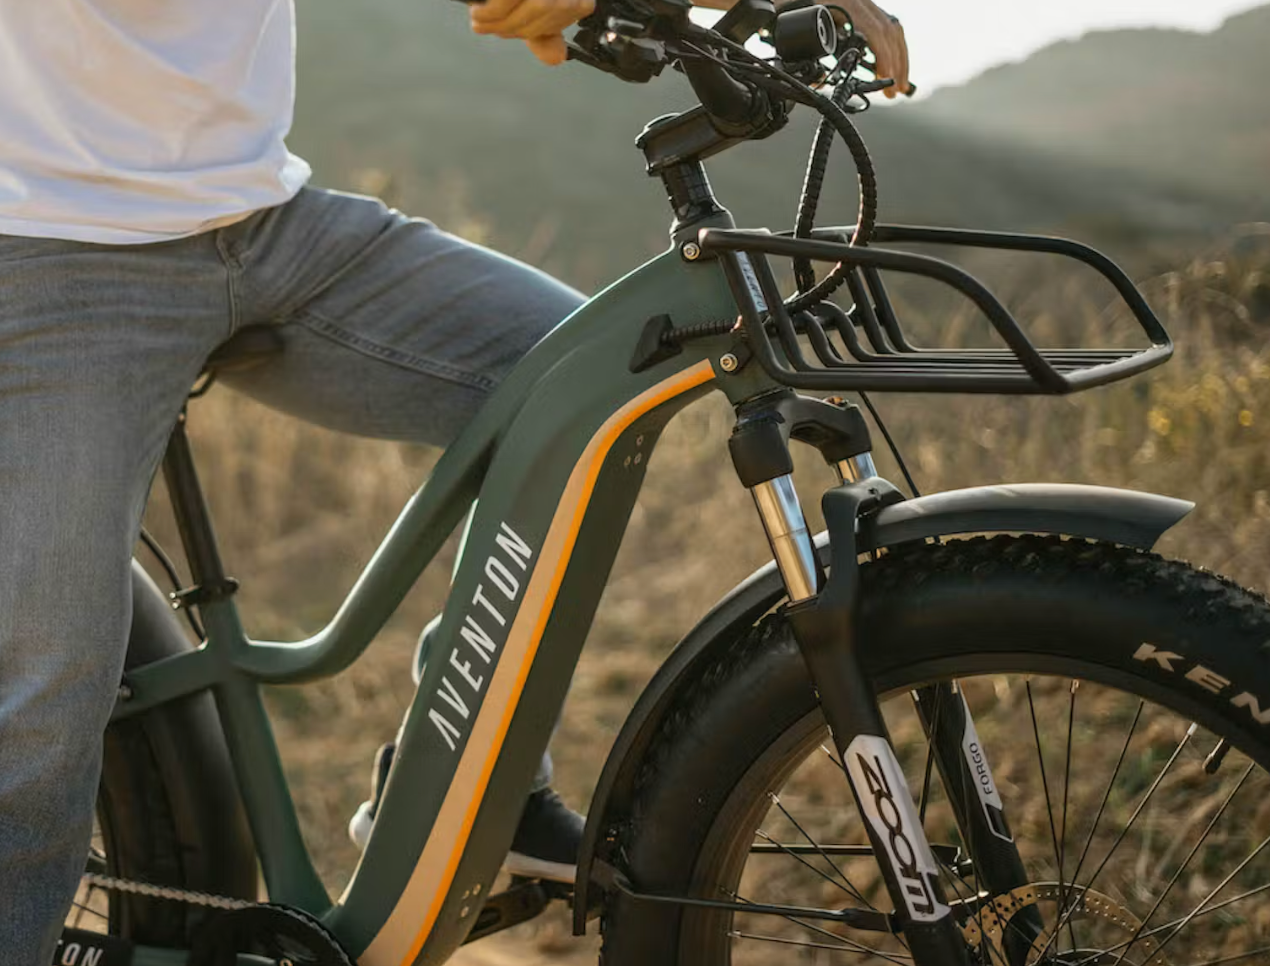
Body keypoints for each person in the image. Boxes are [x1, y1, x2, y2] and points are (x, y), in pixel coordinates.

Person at [0, 0, 909, 962]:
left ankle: (482, 793)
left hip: (268, 224)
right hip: (58, 249)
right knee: (43, 700)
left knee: (578, 386)